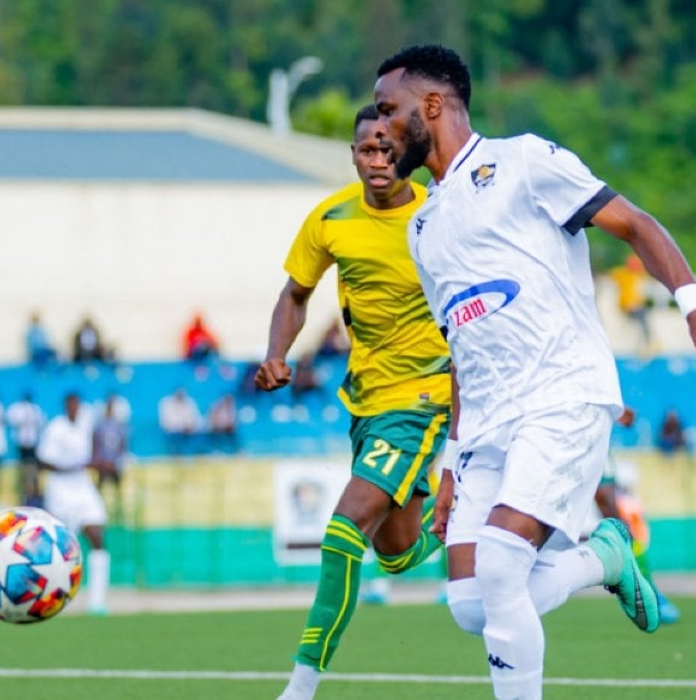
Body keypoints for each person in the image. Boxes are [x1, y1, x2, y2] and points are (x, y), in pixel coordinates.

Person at [374, 44, 696, 699]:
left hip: (561, 396)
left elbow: (634, 224)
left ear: (431, 105)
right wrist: (450, 463)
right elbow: (461, 350)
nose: (378, 128)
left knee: (498, 569)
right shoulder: (423, 227)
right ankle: (604, 556)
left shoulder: (522, 160)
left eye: (388, 109)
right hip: (488, 426)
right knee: (470, 602)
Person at [256, 105, 453, 700]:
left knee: (344, 530)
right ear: (353, 155)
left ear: (409, 153)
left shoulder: (441, 215)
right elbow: (296, 293)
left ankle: (300, 686)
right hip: (366, 401)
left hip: (427, 396)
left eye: (389, 148)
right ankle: (469, 514)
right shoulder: (331, 217)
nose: (378, 159)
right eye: (368, 149)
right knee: (395, 554)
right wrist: (276, 352)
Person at [594, 407, 680, 625]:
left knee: (617, 523)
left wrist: (611, 405)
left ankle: (647, 590)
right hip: (544, 432)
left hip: (587, 436)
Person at [38, 391, 110, 615]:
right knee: (61, 547)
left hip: (83, 485)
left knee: (97, 535)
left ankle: (97, 601)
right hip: (60, 488)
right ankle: (55, 598)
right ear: (65, 406)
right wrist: (71, 467)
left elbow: (97, 442)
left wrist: (96, 462)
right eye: (71, 405)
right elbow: (43, 461)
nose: (75, 408)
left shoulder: (85, 423)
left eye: (77, 405)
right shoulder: (55, 428)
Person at [92, 395, 130, 517]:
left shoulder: (119, 426)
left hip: (114, 464)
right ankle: (96, 510)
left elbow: (122, 445)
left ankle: (119, 512)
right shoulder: (100, 426)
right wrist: (100, 461)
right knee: (99, 489)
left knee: (118, 489)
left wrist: (116, 462)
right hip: (103, 464)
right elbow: (96, 444)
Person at [609, 254, 653, 353]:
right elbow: (610, 275)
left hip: (635, 307)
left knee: (644, 316)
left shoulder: (637, 277)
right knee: (644, 318)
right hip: (627, 308)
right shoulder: (623, 275)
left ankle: (648, 342)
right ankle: (647, 342)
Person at [7, 391, 46, 502]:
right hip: (23, 444)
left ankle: (32, 492)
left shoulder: (34, 410)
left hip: (32, 444)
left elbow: (40, 424)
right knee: (26, 469)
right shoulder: (20, 409)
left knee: (32, 470)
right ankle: (28, 492)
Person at [158, 387, 202, 455]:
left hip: (190, 431)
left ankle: (200, 455)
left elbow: (196, 418)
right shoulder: (166, 402)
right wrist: (182, 426)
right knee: (176, 437)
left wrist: (191, 426)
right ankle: (176, 456)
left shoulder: (190, 402)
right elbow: (165, 423)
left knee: (200, 435)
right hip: (173, 432)